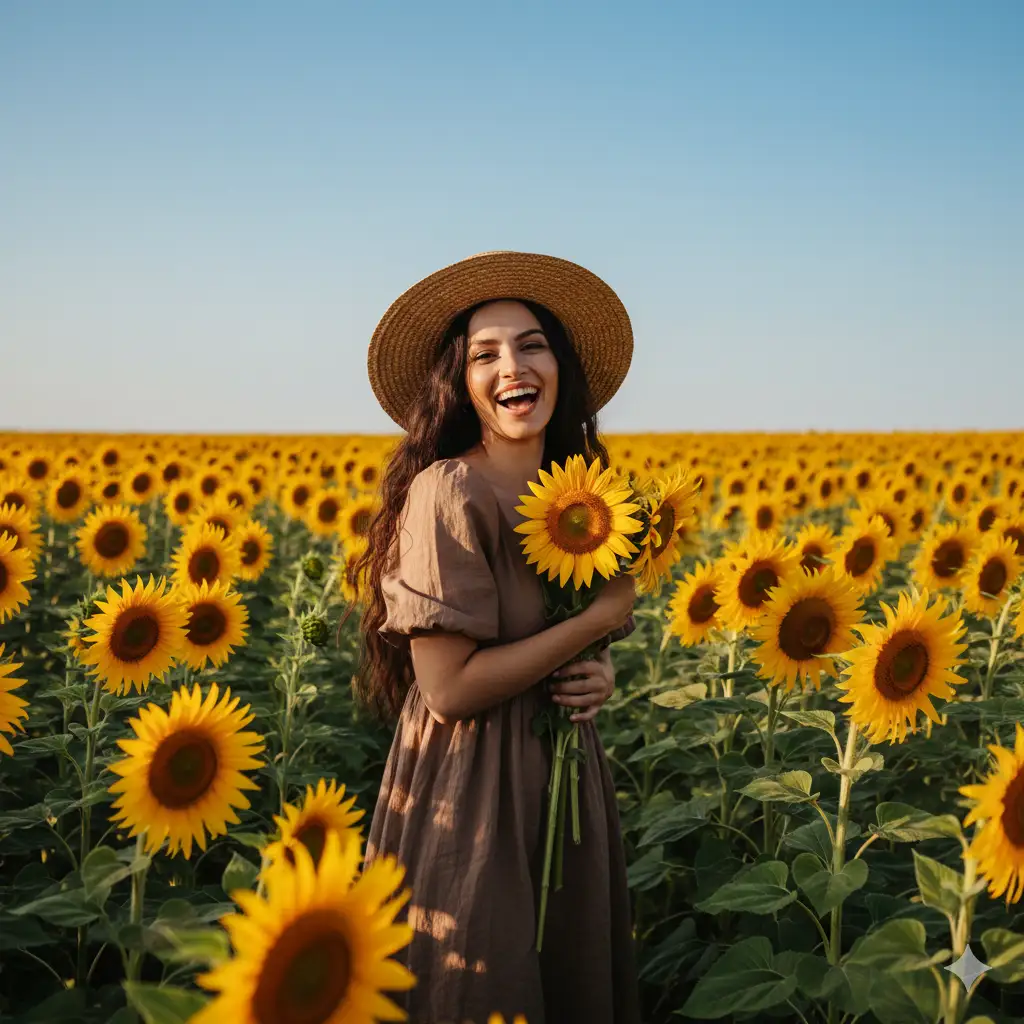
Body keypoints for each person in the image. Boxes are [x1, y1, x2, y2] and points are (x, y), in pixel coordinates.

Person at [349, 251, 643, 1024]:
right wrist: (596, 622)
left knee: (565, 977)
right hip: (472, 784)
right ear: (462, 382)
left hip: (566, 775)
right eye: (485, 353)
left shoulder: (586, 494)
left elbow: (561, 635)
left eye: (532, 343)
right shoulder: (450, 490)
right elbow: (447, 690)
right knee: (484, 979)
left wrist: (597, 669)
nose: (513, 365)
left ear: (560, 364)